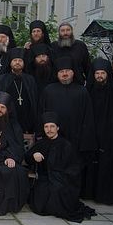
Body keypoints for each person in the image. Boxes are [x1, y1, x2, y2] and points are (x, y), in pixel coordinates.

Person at [39, 57, 97, 198]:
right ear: (56, 73)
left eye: (67, 71)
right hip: (52, 138)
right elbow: (41, 113)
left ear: (73, 73)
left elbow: (88, 117)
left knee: (72, 168)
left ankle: (72, 194)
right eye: (61, 71)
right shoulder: (49, 90)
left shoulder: (82, 91)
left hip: (75, 139)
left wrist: (85, 140)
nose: (64, 74)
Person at [25, 112, 96, 222]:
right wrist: (34, 155)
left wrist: (61, 177)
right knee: (41, 196)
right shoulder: (41, 143)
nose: (49, 130)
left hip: (64, 180)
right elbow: (28, 157)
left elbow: (74, 168)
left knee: (57, 191)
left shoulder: (66, 145)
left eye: (52, 126)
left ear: (57, 128)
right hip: (45, 179)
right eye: (46, 127)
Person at [87, 58, 113, 204]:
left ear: (107, 74)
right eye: (97, 73)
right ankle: (88, 193)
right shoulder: (88, 91)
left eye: (102, 73)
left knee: (105, 166)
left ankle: (103, 195)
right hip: (90, 134)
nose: (100, 76)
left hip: (108, 136)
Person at [0, 47, 38, 140]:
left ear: (24, 63)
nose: (17, 62)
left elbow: (34, 101)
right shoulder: (3, 79)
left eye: (20, 60)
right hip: (8, 119)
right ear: (10, 63)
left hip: (26, 119)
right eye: (15, 60)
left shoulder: (30, 79)